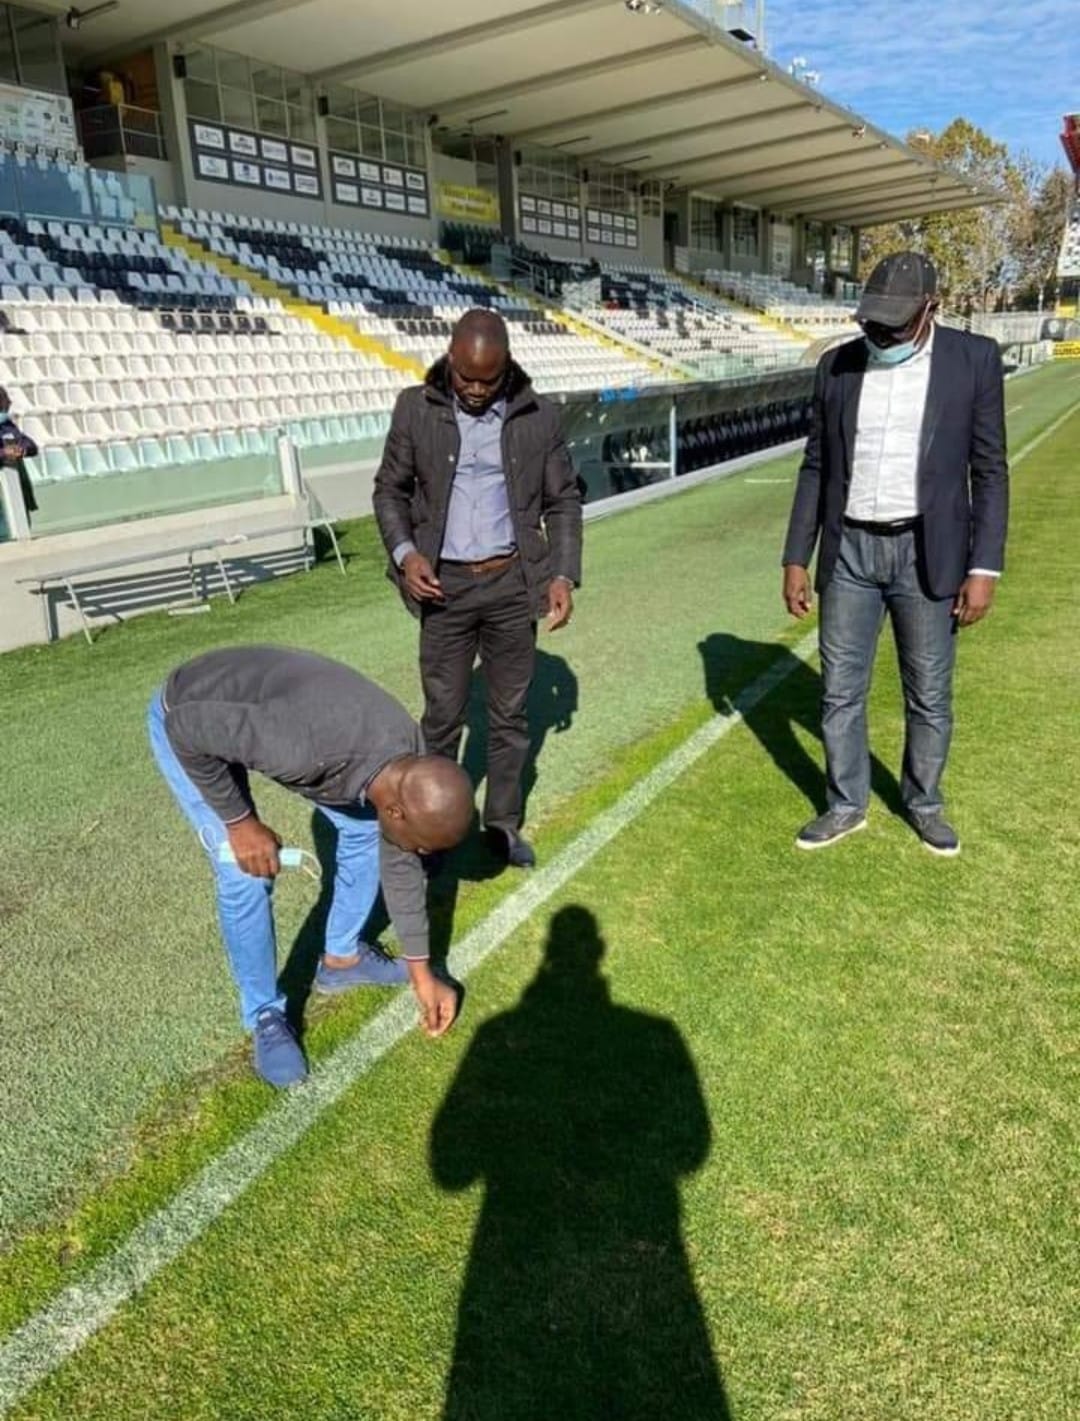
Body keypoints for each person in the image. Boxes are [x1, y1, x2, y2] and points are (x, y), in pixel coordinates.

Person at [147, 646, 475, 1088]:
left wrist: (421, 973)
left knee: (362, 830)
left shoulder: (410, 771)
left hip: (272, 716)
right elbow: (185, 729)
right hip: (190, 711)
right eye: (419, 847)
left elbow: (401, 865)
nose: (413, 856)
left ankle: (341, 959)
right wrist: (240, 823)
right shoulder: (300, 748)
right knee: (244, 870)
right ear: (396, 812)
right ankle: (264, 1012)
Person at [781, 251, 1008, 856]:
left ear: (932, 308)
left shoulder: (973, 361)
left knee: (929, 691)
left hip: (926, 553)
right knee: (839, 690)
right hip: (849, 550)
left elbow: (989, 471)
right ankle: (845, 804)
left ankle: (924, 803)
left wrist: (983, 567)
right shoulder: (836, 367)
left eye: (894, 324)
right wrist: (796, 556)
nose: (879, 334)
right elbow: (816, 465)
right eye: (871, 322)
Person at [373, 308, 583, 870]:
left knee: (511, 716)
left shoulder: (538, 416)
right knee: (442, 715)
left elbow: (563, 499)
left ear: (506, 364)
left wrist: (562, 573)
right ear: (450, 356)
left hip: (513, 584)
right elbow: (388, 491)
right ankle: (431, 826)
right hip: (445, 589)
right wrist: (406, 553)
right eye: (465, 376)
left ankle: (503, 825)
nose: (472, 389)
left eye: (486, 380)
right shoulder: (415, 409)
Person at [0, 386, 39, 527]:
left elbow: (31, 446)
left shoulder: (8, 426)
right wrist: (5, 453)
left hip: (18, 491)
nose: (9, 403)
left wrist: (19, 451)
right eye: (5, 400)